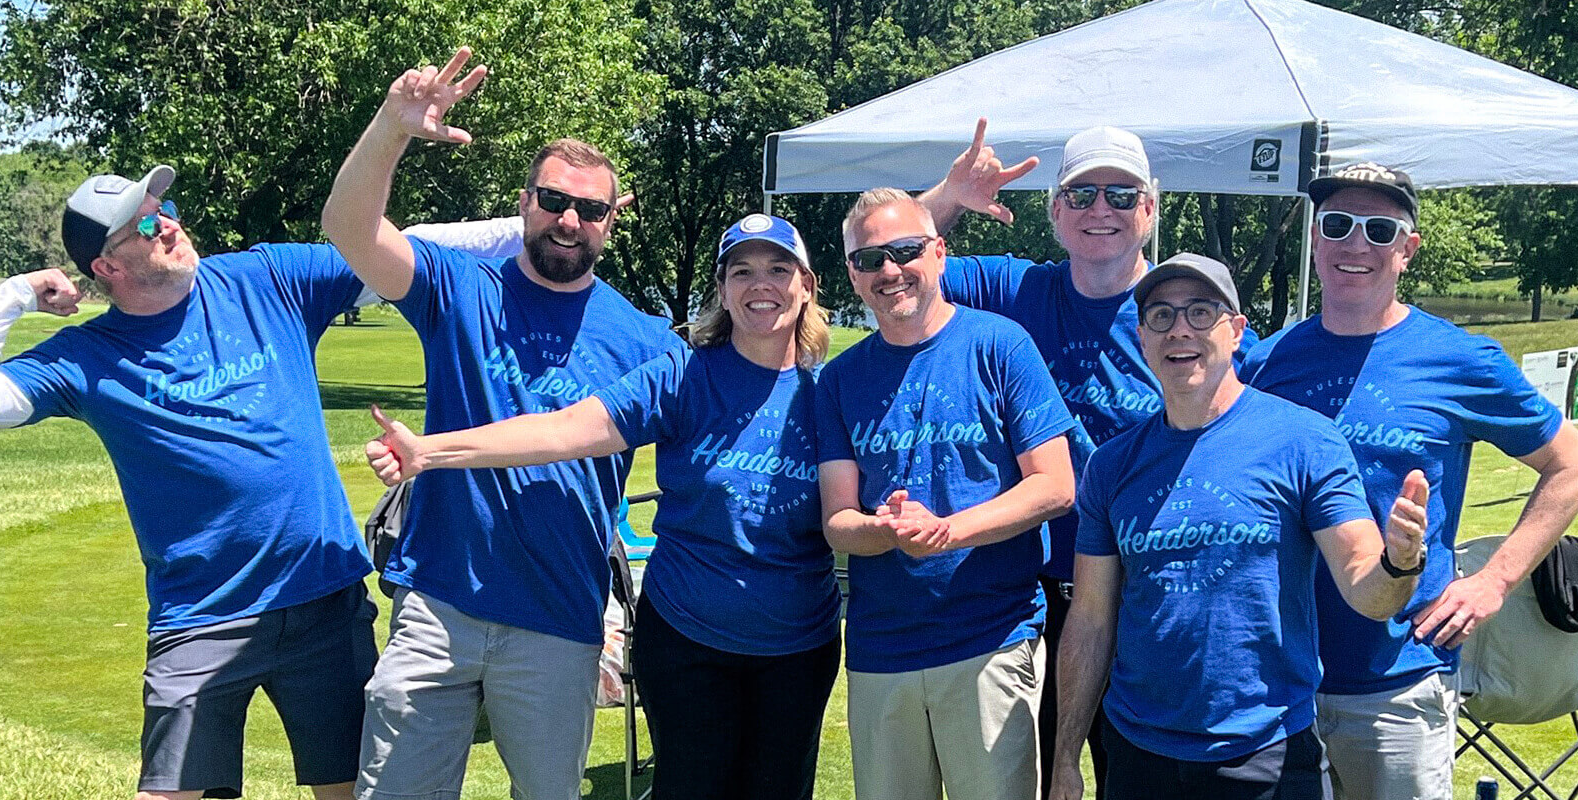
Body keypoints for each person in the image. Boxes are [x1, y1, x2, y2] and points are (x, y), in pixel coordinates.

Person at [0, 165, 378, 800]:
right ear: (106, 268)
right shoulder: (85, 357)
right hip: (200, 618)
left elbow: (408, 254)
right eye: (142, 222)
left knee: (355, 792)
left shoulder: (264, 277)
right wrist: (16, 294)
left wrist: (536, 227)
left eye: (163, 207)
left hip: (323, 599)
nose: (166, 222)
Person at [362, 213, 841, 800]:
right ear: (721, 290)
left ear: (807, 285)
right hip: (688, 640)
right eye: (741, 271)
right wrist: (429, 451)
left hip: (798, 646)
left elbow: (904, 288)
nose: (760, 285)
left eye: (778, 269)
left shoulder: (833, 395)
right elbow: (562, 432)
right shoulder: (682, 374)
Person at [320, 48, 682, 800]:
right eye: (553, 200)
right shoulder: (459, 290)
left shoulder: (645, 339)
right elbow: (351, 229)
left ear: (612, 223)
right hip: (438, 603)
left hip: (559, 619)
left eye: (590, 209)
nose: (568, 220)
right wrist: (391, 129)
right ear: (523, 202)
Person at [1239, 162, 1578, 800]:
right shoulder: (1269, 360)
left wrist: (1494, 579)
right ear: (1315, 240)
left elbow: (1575, 463)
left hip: (1398, 680)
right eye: (1338, 224)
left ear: (1407, 250)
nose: (1357, 244)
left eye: (1380, 230)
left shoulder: (1460, 359)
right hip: (1278, 683)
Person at [916, 121, 1251, 796]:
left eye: (1123, 196)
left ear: (1151, 209)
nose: (1103, 210)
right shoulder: (1017, 291)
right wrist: (951, 194)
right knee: (1036, 783)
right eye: (1084, 193)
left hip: (1147, 597)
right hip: (1029, 604)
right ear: (1056, 211)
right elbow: (888, 254)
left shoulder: (1185, 316)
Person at [1050, 253, 1429, 800]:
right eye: (1161, 315)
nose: (1180, 329)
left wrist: (1400, 558)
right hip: (1138, 756)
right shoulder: (1111, 465)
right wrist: (1065, 755)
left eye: (1201, 312)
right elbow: (1089, 620)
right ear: (1141, 337)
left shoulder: (1305, 441)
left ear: (1236, 330)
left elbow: (1367, 589)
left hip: (1266, 754)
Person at [815, 187, 1077, 800]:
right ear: (851, 276)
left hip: (990, 640)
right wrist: (884, 531)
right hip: (882, 651)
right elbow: (837, 521)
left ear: (938, 252)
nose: (889, 271)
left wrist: (947, 531)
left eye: (904, 251)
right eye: (867, 259)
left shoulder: (1001, 345)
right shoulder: (839, 379)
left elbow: (1055, 486)